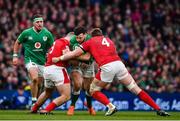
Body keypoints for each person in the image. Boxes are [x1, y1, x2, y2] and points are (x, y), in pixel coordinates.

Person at [52, 28, 170, 116]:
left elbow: (74, 54)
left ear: (91, 36)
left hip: (107, 67)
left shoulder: (90, 41)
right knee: (136, 89)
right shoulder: (109, 40)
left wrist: (60, 58)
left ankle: (110, 106)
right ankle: (158, 108)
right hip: (119, 65)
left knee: (92, 90)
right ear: (102, 35)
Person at [12, 14, 54, 106]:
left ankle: (37, 103)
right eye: (37, 22)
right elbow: (17, 43)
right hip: (30, 60)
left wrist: (49, 53)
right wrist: (15, 56)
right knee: (34, 79)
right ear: (33, 23)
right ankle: (34, 101)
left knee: (40, 85)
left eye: (41, 22)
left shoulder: (47, 34)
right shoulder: (26, 33)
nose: (40, 24)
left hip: (42, 61)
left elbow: (52, 47)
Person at [31, 33, 73, 114]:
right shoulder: (65, 43)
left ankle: (34, 109)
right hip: (58, 69)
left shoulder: (57, 41)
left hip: (47, 69)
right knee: (66, 95)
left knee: (47, 92)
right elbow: (67, 55)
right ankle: (47, 110)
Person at [67, 26, 96, 115]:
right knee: (77, 84)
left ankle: (90, 107)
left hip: (89, 65)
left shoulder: (90, 40)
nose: (78, 39)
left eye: (80, 37)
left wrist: (73, 55)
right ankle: (72, 106)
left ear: (85, 35)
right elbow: (69, 58)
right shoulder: (72, 41)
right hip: (76, 65)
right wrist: (76, 59)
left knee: (89, 89)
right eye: (76, 37)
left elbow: (87, 58)